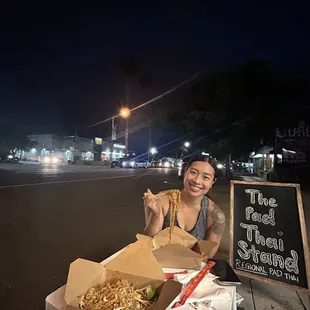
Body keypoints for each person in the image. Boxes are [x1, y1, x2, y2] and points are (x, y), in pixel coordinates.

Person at [143, 154, 225, 258]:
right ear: (185, 171)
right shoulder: (163, 200)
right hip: (159, 265)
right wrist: (156, 214)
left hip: (194, 270)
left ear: (212, 182)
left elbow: (207, 256)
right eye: (193, 172)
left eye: (205, 177)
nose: (197, 181)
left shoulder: (215, 215)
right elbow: (147, 244)